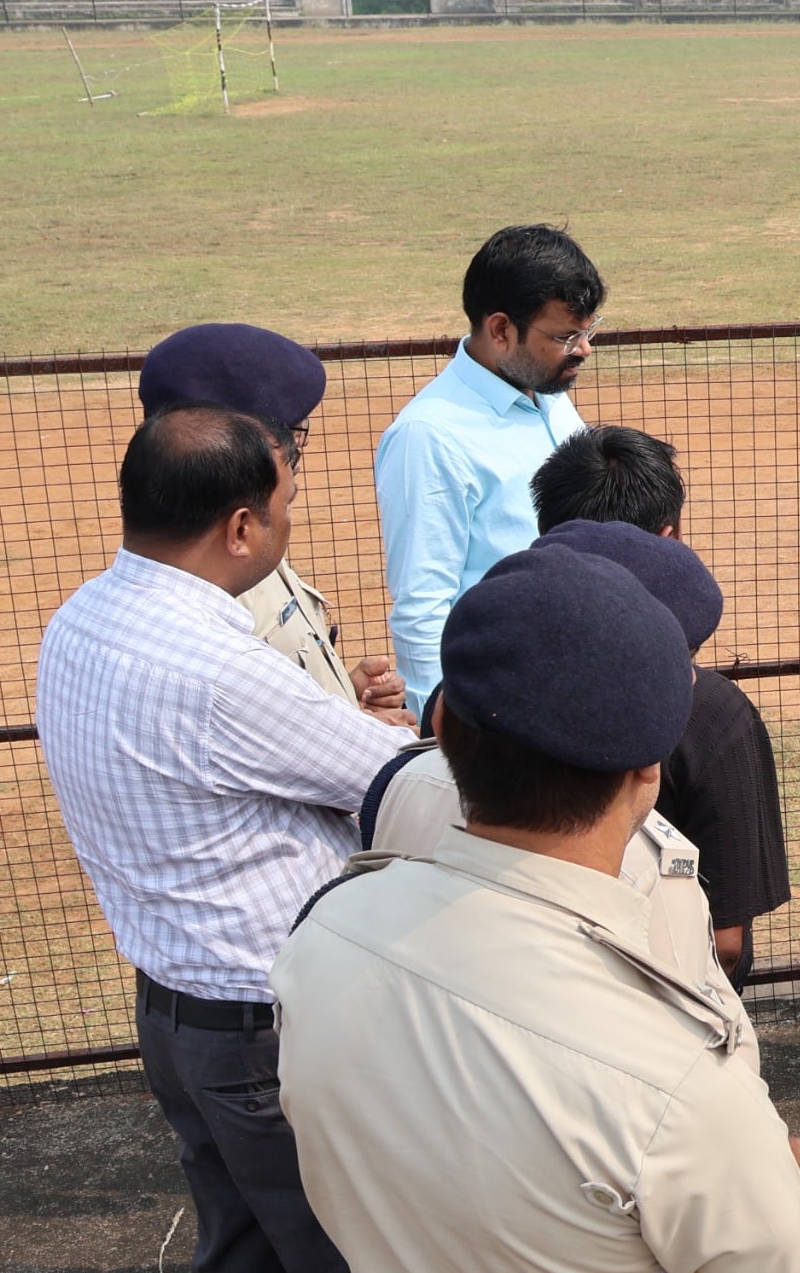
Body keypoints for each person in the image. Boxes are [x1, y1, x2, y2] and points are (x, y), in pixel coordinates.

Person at [275, 544, 800, 1273]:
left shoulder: (324, 937)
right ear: (647, 772)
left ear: (444, 728)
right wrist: (781, 1185)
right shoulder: (672, 1069)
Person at [36, 404, 417, 1273]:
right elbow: (394, 777)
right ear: (241, 523)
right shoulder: (214, 660)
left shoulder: (82, 618)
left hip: (177, 1015)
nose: (292, 524)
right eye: (289, 505)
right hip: (272, 1036)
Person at [360, 518, 747, 1002]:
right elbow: (706, 981)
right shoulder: (646, 869)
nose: (689, 681)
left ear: (440, 717)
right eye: (675, 658)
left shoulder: (396, 784)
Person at [534, 425, 790, 987]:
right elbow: (725, 941)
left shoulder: (479, 689)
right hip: (666, 1005)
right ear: (668, 537)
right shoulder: (712, 713)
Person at [377, 224, 606, 721]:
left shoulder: (548, 397)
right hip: (504, 711)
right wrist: (444, 732)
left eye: (588, 331)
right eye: (567, 336)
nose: (584, 349)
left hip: (577, 680)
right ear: (501, 329)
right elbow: (422, 605)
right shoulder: (429, 437)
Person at [139, 322, 411, 720]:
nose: (298, 445)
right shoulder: (217, 586)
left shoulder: (243, 546)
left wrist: (341, 696)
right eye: (289, 432)